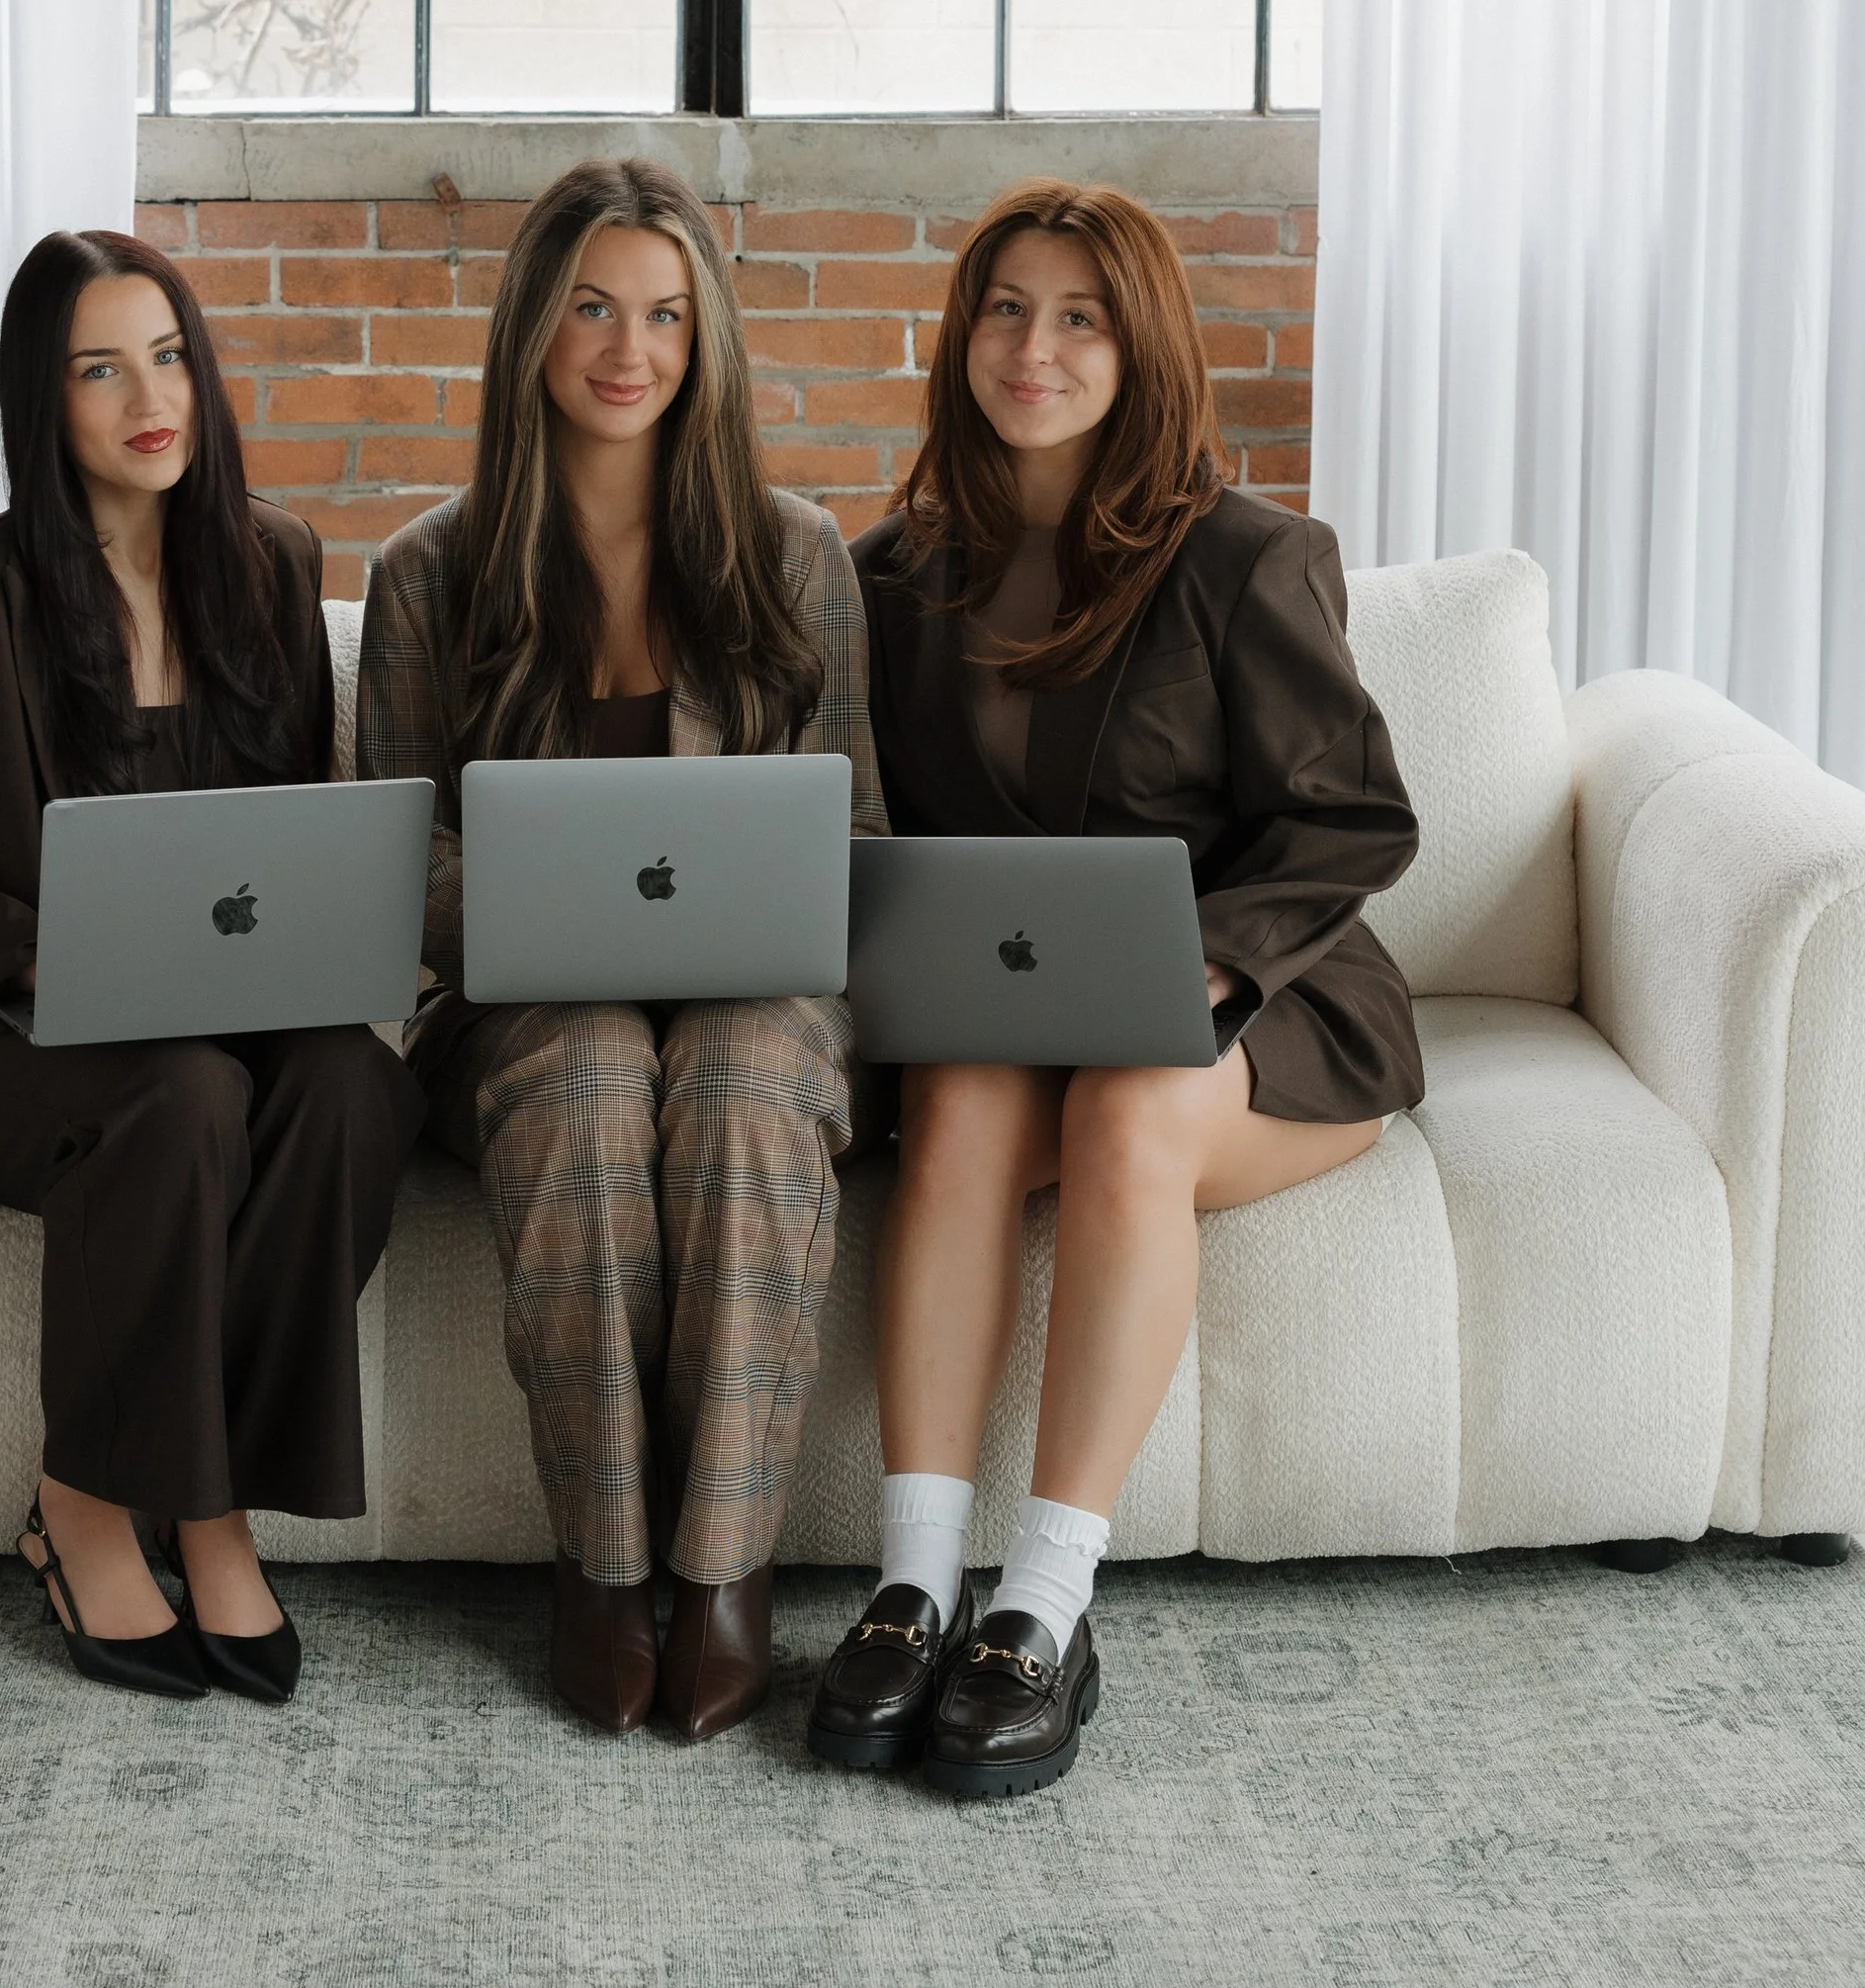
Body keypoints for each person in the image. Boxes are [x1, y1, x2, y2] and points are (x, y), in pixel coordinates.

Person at [0, 230, 423, 1703]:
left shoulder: (274, 565)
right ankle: (89, 1504)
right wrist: (55, 953)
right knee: (179, 1098)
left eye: (168, 355)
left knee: (353, 1088)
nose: (147, 397)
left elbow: (283, 848)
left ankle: (218, 1493)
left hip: (218, 1019)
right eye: (98, 369)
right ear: (39, 401)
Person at [812, 180, 1422, 1797]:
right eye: (1008, 308)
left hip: (1260, 1008)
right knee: (949, 1104)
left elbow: (1353, 819)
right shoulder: (891, 575)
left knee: (1134, 1103)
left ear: (1138, 344)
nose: (1037, 346)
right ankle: (915, 1579)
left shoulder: (1250, 558)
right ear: (965, 340)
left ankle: (1045, 1604)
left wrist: (1207, 962)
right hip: (1016, 1009)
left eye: (1080, 316)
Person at [357, 158, 886, 1741]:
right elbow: (390, 862)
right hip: (525, 1011)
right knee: (593, 1068)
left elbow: (858, 837)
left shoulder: (796, 560)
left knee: (737, 1073)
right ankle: (601, 1567)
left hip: (757, 997)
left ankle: (723, 1572)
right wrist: (531, 898)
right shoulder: (426, 575)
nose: (627, 346)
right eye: (592, 304)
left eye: (665, 313)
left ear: (706, 340)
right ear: (533, 322)